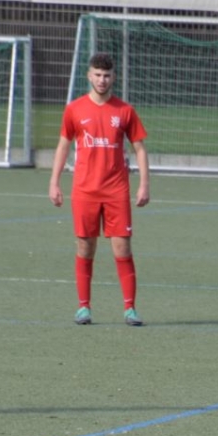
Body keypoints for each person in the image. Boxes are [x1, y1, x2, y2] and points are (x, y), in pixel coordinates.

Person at [48, 52, 150, 326]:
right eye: (97, 74)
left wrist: (144, 184)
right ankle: (84, 307)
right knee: (85, 246)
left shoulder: (124, 111)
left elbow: (139, 148)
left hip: (116, 190)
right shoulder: (74, 109)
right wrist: (54, 181)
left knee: (122, 248)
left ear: (113, 77)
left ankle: (130, 309)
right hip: (84, 190)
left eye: (106, 75)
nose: (102, 80)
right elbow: (63, 146)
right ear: (89, 76)